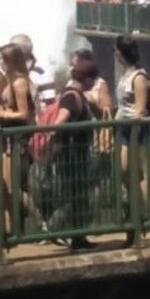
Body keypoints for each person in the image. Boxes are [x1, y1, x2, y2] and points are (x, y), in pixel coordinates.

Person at [0, 43, 44, 235]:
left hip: (18, 140)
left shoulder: (19, 82)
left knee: (14, 188)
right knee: (8, 189)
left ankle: (41, 223)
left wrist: (2, 114)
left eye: (2, 59)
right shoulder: (9, 80)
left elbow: (23, 113)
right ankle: (12, 230)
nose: (0, 63)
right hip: (8, 139)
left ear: (11, 61)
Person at [49, 57, 100, 251]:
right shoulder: (72, 96)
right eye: (93, 80)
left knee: (79, 196)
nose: (94, 84)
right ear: (87, 79)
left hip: (75, 154)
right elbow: (59, 122)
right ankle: (53, 228)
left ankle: (79, 238)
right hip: (71, 156)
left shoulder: (76, 94)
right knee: (75, 196)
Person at [114, 35, 150, 244]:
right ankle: (134, 216)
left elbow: (140, 108)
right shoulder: (125, 74)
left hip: (134, 130)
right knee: (125, 174)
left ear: (122, 52)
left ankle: (140, 220)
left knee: (136, 173)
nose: (115, 54)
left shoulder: (138, 76)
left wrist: (135, 130)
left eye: (116, 50)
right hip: (123, 128)